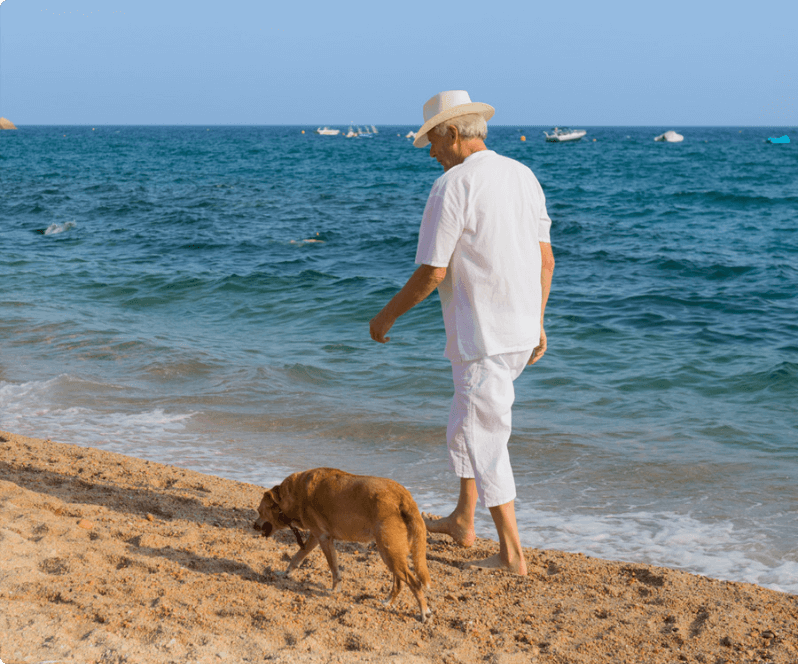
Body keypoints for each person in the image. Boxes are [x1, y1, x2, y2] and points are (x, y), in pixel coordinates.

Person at [369, 90, 555, 575]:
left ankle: (512, 555)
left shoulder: (452, 186)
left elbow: (432, 272)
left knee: (484, 435)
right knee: (465, 421)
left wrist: (384, 317)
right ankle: (463, 519)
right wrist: (538, 322)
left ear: (452, 133)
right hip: (517, 329)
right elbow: (545, 257)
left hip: (484, 336)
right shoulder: (524, 174)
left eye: (432, 140)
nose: (430, 152)